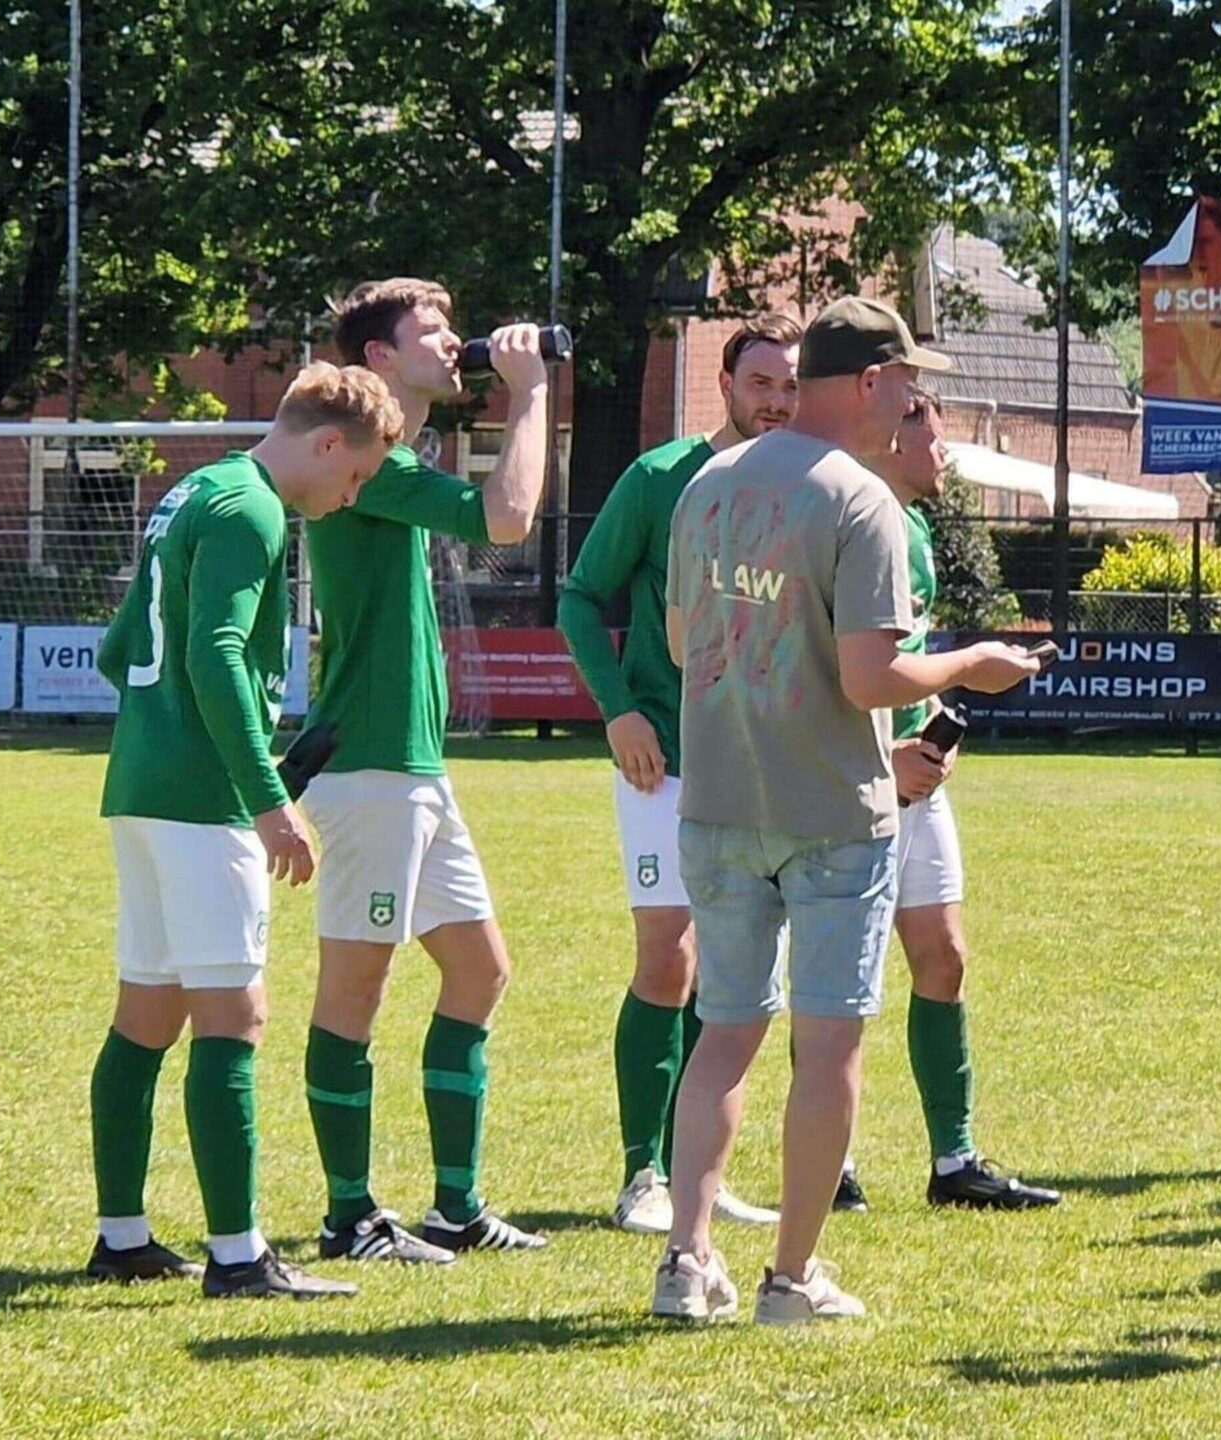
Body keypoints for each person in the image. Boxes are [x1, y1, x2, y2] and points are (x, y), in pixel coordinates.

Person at [649, 296, 1044, 1326]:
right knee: (827, 1048)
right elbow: (874, 680)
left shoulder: (708, 481)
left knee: (723, 1034)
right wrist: (976, 662)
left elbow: (683, 633)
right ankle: (790, 1278)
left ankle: (686, 1265)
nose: (916, 400)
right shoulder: (859, 500)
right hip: (833, 811)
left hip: (721, 801)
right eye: (910, 382)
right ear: (870, 382)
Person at [86, 363, 402, 1299]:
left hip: (142, 789)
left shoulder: (197, 489)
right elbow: (216, 650)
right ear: (327, 442)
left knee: (147, 1013)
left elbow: (117, 651)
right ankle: (238, 1257)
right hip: (202, 802)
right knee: (236, 1016)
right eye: (355, 477)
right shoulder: (251, 508)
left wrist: (166, 735)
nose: (350, 498)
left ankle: (123, 1237)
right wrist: (268, 797)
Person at [297, 279, 556, 1265]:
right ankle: (349, 1218)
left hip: (412, 767)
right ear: (377, 361)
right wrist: (530, 398)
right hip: (368, 769)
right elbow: (507, 517)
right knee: (352, 998)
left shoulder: (390, 456)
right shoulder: (370, 461)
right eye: (433, 333)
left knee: (479, 970)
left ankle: (455, 1207)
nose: (458, 345)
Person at [559, 313, 804, 1235]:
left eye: (789, 386)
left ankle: (701, 1171)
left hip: (767, 764)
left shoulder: (811, 488)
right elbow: (582, 596)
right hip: (664, 757)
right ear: (727, 387)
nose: (776, 401)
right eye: (761, 384)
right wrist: (620, 709)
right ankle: (641, 1175)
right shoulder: (660, 478)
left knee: (735, 974)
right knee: (669, 958)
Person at [836, 386, 1063, 1213]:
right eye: (934, 438)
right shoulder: (846, 518)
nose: (945, 455)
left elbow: (905, 659)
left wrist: (928, 733)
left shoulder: (919, 530)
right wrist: (879, 754)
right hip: (852, 782)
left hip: (914, 780)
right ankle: (834, 1166)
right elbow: (827, 669)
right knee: (844, 978)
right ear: (891, 435)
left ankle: (953, 1161)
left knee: (944, 955)